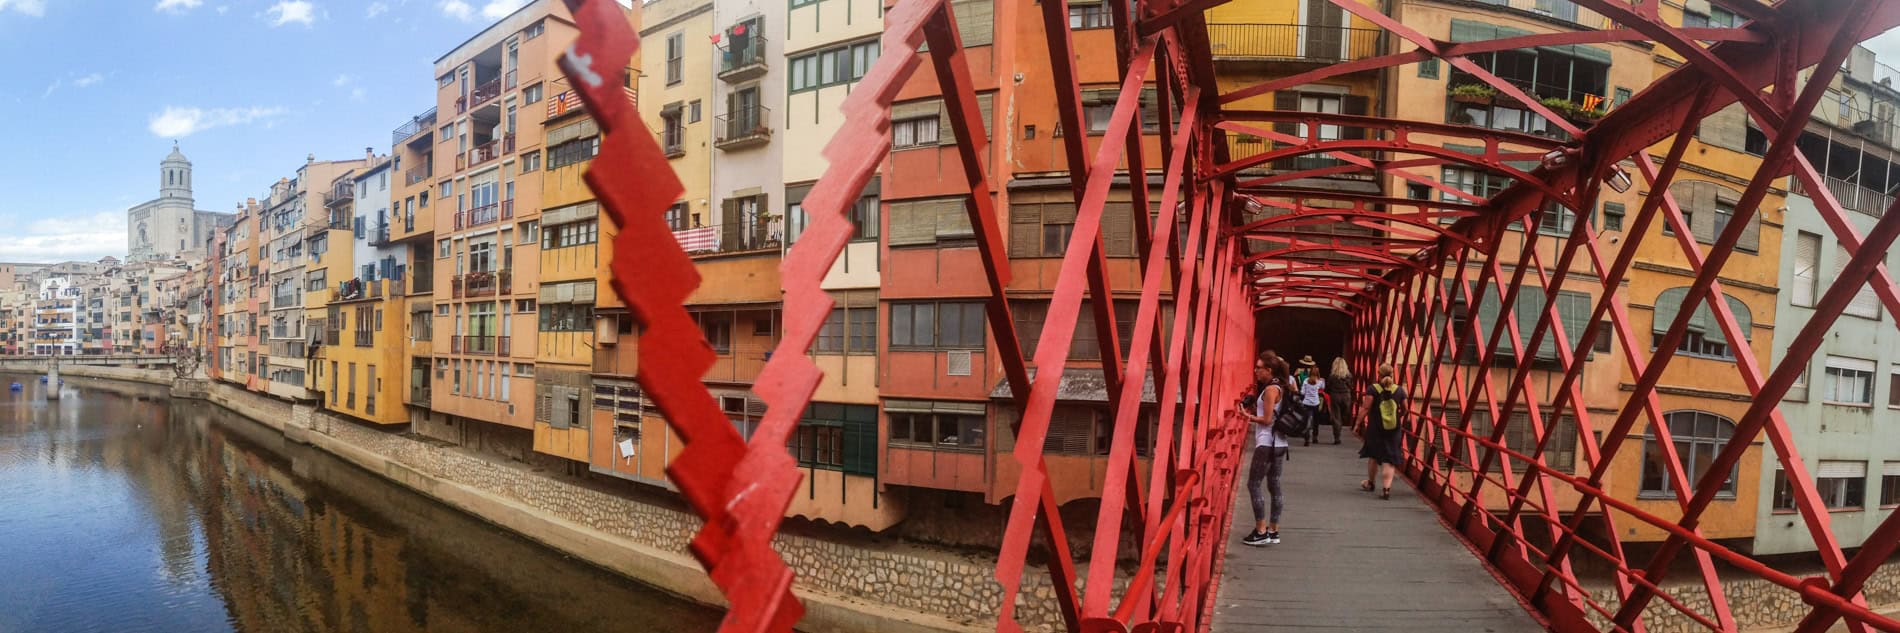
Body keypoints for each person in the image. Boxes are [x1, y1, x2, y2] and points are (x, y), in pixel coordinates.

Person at [1241, 354, 1290, 546]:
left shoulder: (1270, 389)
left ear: (1269, 370)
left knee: (1253, 484)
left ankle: (1260, 531)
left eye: (1259, 367)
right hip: (1280, 443)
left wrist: (1247, 416)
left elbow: (1267, 420)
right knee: (1274, 485)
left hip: (1267, 444)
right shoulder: (1283, 386)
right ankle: (1273, 530)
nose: (1256, 370)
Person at [1360, 364, 1406, 500]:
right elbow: (1405, 409)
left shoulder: (1372, 389)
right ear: (1392, 374)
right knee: (1389, 459)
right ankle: (1386, 489)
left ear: (1378, 374)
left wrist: (1357, 423)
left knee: (1373, 456)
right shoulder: (1399, 390)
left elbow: (1365, 407)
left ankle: (1371, 483)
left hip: (1375, 428)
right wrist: (1398, 417)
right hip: (1393, 429)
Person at [1296, 356, 1326, 447]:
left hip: (1306, 403)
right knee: (1316, 421)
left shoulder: (1305, 381)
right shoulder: (1319, 381)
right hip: (1316, 403)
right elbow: (1323, 388)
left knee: (1305, 420)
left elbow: (1302, 392)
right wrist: (1322, 381)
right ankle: (1315, 437)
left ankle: (1306, 438)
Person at [1326, 357, 1355, 442]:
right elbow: (1351, 386)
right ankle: (1340, 425)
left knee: (1336, 416)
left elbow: (1328, 386)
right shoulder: (1349, 375)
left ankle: (1337, 436)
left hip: (1335, 396)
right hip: (1346, 396)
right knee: (1344, 414)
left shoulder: (1332, 376)